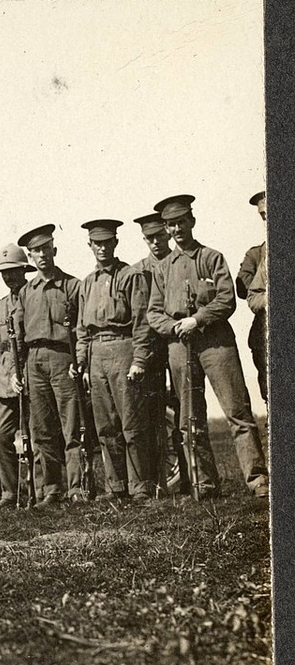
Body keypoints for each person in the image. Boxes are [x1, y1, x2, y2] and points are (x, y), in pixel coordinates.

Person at [146, 195, 268, 500]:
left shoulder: (212, 258)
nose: (176, 229)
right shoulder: (163, 269)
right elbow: (153, 312)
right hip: (180, 345)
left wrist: (197, 319)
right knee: (190, 418)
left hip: (216, 342)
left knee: (237, 412)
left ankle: (257, 480)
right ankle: (204, 485)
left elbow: (226, 300)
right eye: (171, 225)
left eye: (181, 222)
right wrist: (174, 326)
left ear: (192, 222)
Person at [74, 219, 155, 502]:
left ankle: (139, 485)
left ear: (115, 243)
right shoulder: (86, 284)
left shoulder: (130, 276)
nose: (102, 248)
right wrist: (82, 363)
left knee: (131, 423)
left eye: (107, 242)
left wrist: (139, 359)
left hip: (123, 348)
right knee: (105, 426)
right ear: (90, 246)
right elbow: (82, 329)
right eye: (97, 244)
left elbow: (142, 322)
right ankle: (115, 486)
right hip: (96, 354)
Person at [18, 224, 84, 503]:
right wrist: (19, 370)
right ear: (30, 257)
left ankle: (77, 486)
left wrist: (78, 361)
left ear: (54, 250)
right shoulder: (26, 292)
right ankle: (52, 488)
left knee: (71, 424)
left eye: (46, 248)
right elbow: (19, 337)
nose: (42, 254)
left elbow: (81, 329)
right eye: (36, 251)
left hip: (62, 358)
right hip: (34, 361)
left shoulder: (72, 286)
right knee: (42, 428)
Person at [131, 212, 188, 495]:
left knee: (185, 410)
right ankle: (158, 482)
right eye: (149, 238)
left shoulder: (181, 262)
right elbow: (139, 317)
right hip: (152, 351)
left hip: (179, 345)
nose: (155, 242)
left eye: (159, 236)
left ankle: (190, 477)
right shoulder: (137, 270)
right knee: (153, 417)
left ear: (168, 233)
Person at [0, 244, 35, 509]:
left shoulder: (32, 297)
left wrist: (25, 374)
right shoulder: (1, 306)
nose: (9, 277)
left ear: (23, 270)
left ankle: (44, 490)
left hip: (31, 375)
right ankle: (11, 492)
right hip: (6, 380)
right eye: (4, 273)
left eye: (14, 271)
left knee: (38, 437)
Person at [237, 191, 267, 403]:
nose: (267, 219)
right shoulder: (256, 254)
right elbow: (244, 287)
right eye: (263, 215)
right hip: (264, 331)